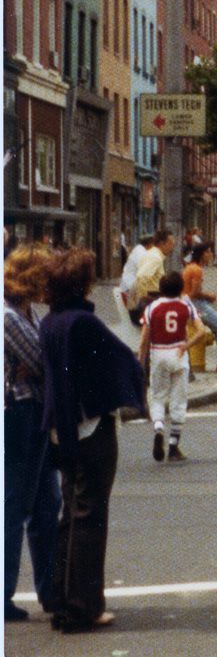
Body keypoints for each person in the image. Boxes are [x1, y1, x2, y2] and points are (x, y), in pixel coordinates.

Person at [39, 248, 144, 632]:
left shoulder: (51, 321)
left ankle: (62, 598)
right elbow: (121, 361)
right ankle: (84, 606)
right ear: (82, 283)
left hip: (62, 426)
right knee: (90, 516)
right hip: (90, 424)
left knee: (70, 513)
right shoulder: (83, 323)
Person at [4, 244, 61, 622]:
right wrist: (43, 365)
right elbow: (44, 361)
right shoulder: (8, 317)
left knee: (46, 503)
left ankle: (52, 590)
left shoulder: (28, 311)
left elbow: (41, 362)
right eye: (45, 275)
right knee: (14, 504)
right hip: (18, 412)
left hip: (34, 410)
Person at [140, 271, 206, 462]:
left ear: (161, 289)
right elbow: (201, 331)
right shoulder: (186, 305)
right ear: (180, 288)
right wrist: (187, 344)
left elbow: (144, 339)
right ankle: (173, 446)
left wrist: (140, 361)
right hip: (179, 354)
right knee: (179, 400)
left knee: (158, 396)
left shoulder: (152, 307)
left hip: (159, 354)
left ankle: (158, 428)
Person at [183, 242, 217, 375]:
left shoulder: (191, 267)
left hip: (191, 301)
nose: (211, 254)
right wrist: (208, 296)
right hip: (194, 303)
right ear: (202, 254)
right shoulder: (196, 270)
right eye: (208, 252)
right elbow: (195, 293)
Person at [130, 229, 175, 325]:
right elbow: (141, 277)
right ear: (162, 244)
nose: (172, 247)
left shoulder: (151, 254)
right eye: (170, 243)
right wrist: (144, 300)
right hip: (151, 301)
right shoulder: (155, 258)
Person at [117, 234, 152, 313]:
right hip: (130, 289)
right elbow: (143, 272)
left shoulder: (139, 250)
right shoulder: (141, 253)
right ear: (150, 244)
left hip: (130, 287)